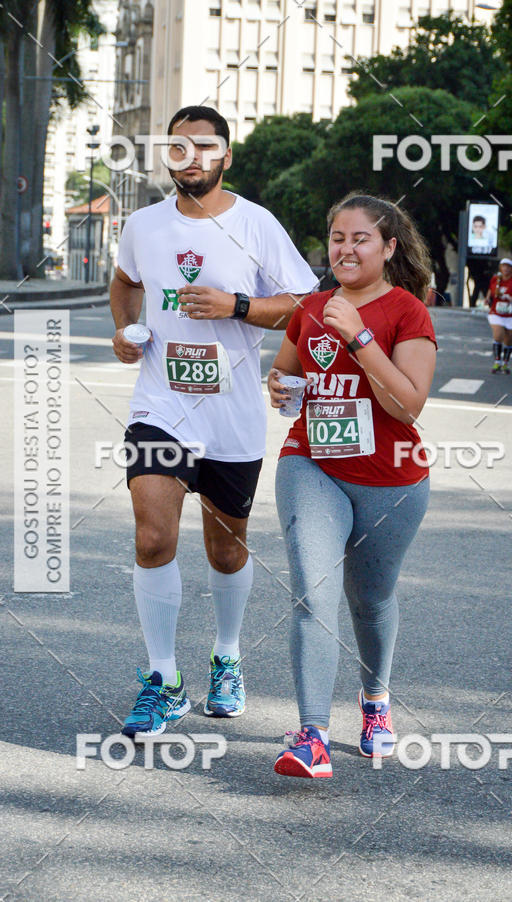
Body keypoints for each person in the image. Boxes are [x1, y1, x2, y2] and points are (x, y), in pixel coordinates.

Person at [110, 105, 317, 737]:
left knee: (226, 549)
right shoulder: (144, 225)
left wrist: (238, 305)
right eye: (179, 147)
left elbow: (304, 304)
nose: (191, 157)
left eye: (205, 146)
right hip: (161, 407)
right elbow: (125, 282)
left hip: (231, 416)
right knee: (153, 538)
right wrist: (124, 330)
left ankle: (226, 657)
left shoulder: (256, 224)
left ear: (227, 155)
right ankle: (163, 679)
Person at [267, 194, 437, 778]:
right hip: (312, 464)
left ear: (388, 248)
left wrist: (361, 338)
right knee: (313, 593)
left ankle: (375, 701)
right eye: (337, 237)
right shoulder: (311, 308)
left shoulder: (408, 312)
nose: (345, 248)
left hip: (392, 478)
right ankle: (312, 736)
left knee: (371, 599)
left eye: (360, 238)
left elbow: (407, 406)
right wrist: (280, 386)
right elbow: (286, 374)